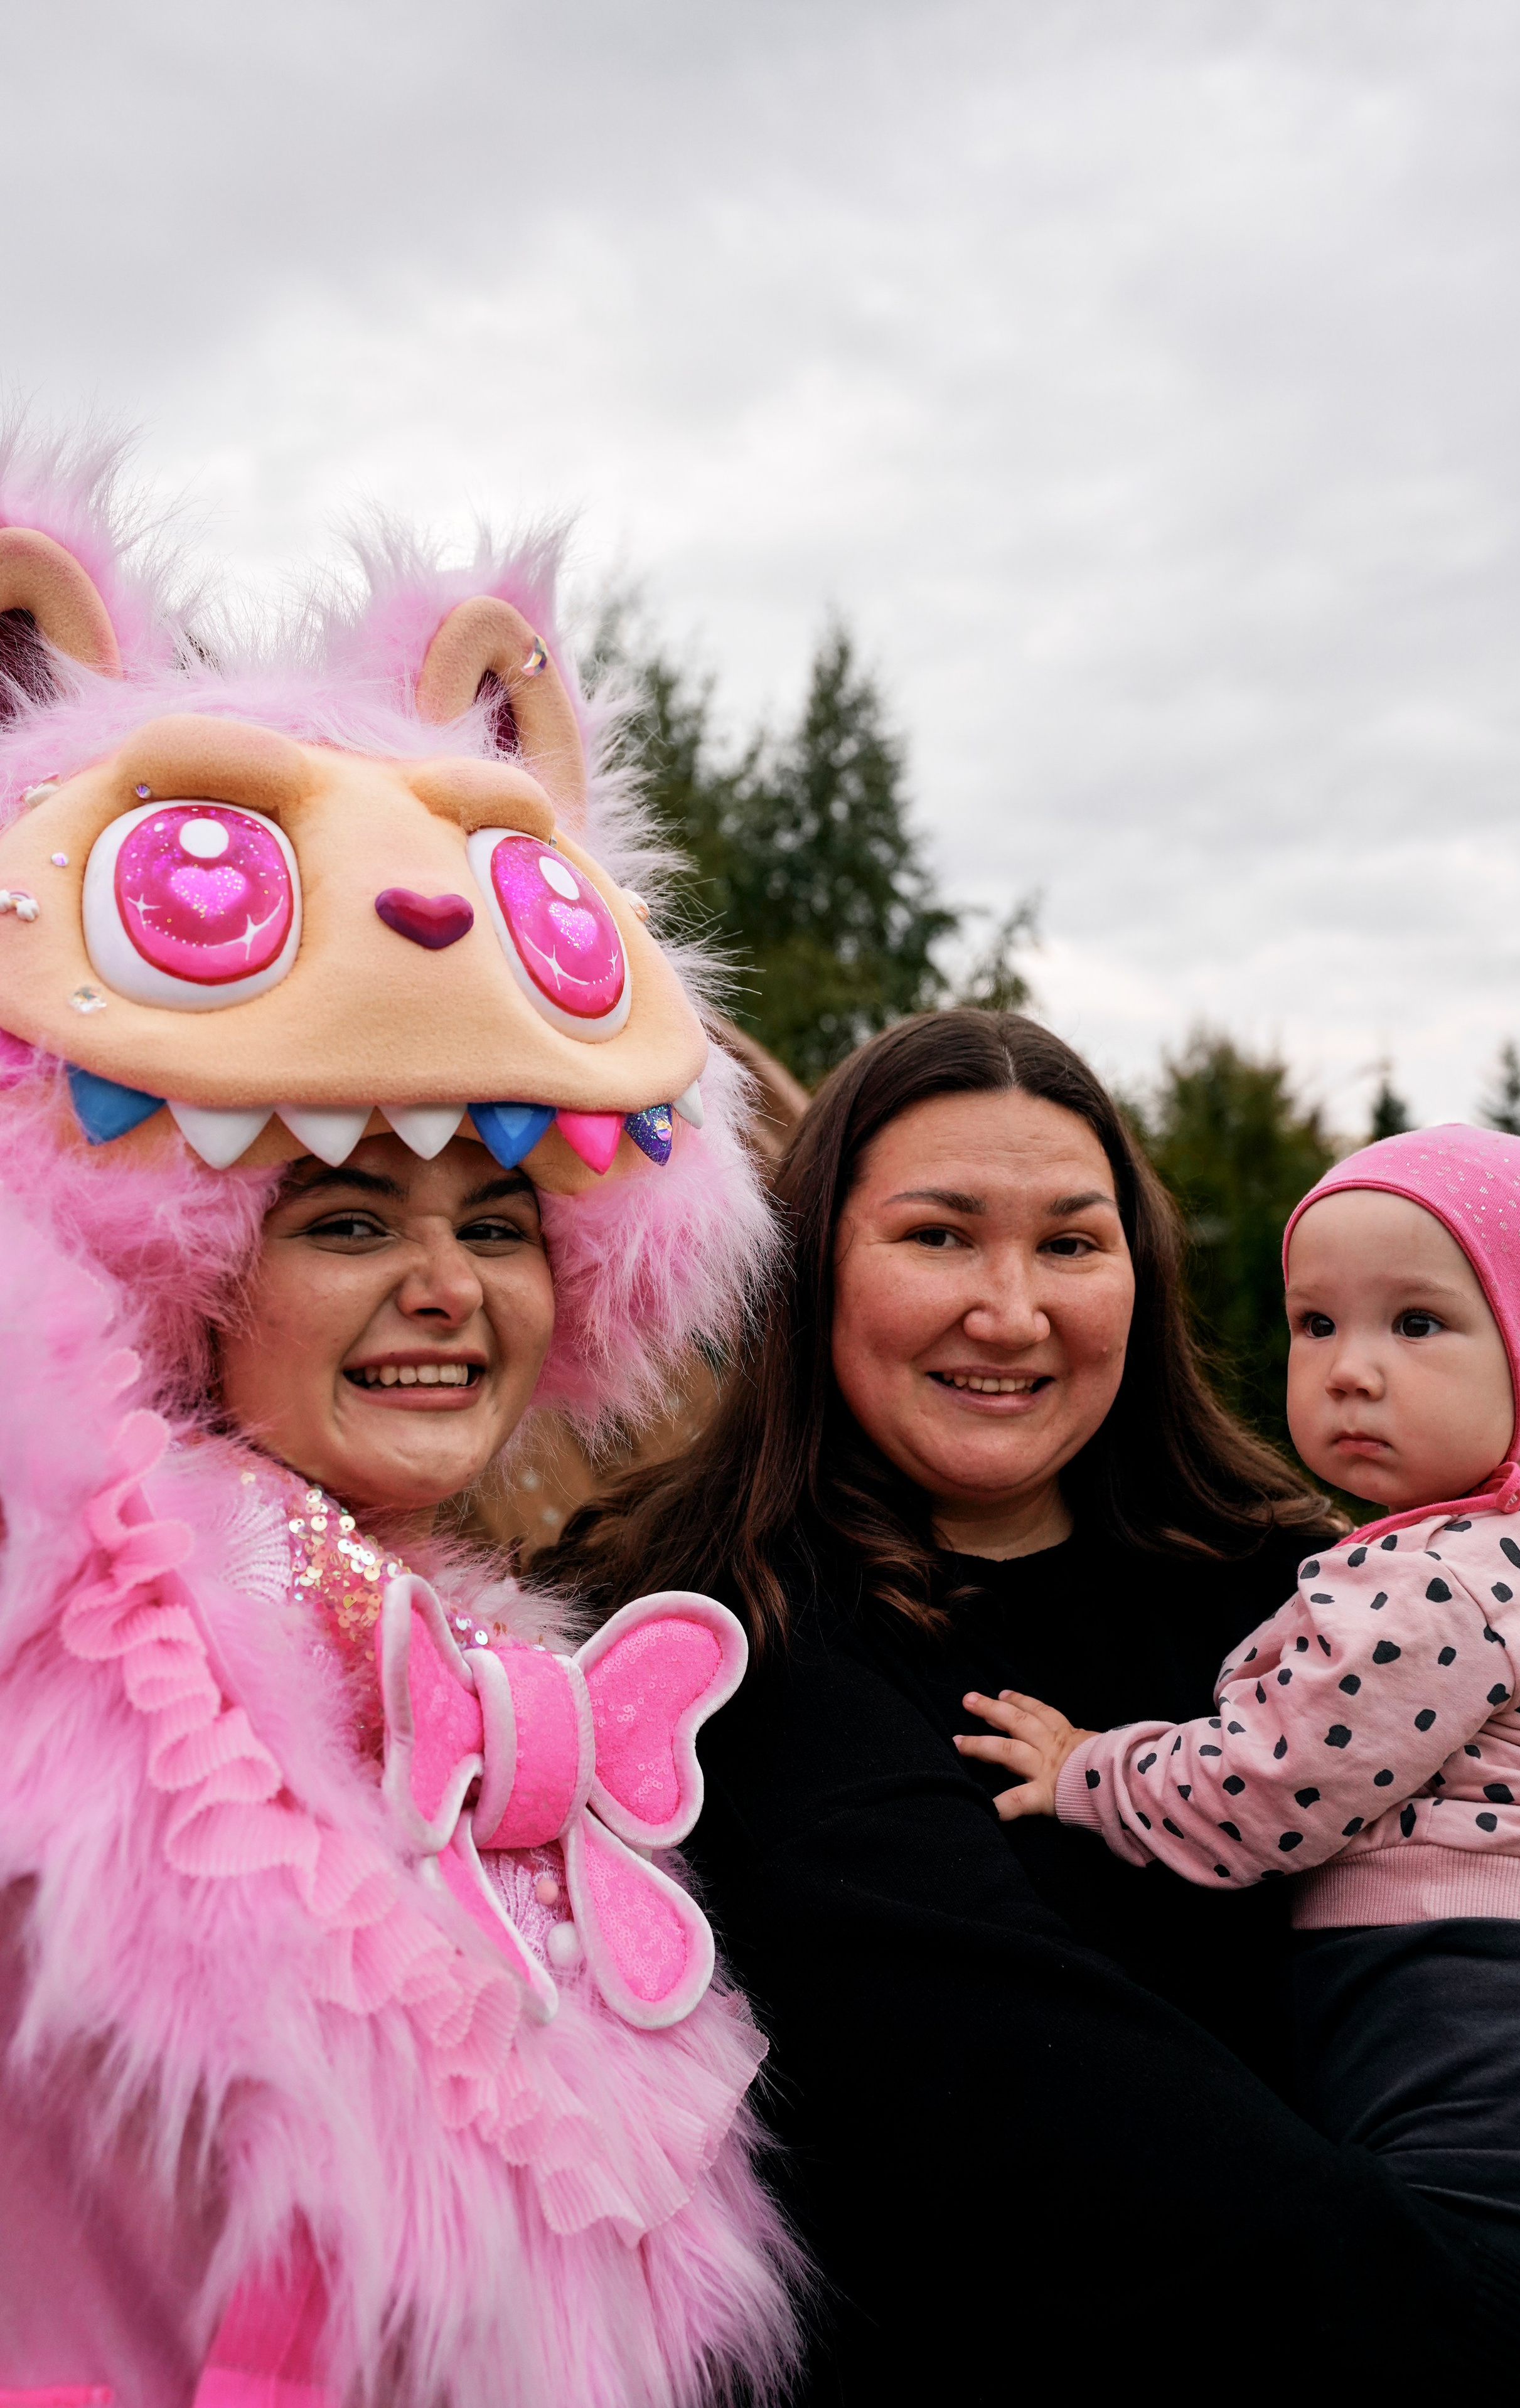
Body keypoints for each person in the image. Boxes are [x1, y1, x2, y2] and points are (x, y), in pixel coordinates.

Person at [0, 440, 796, 2406]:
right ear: (189, 1260)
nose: (449, 1286)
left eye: (500, 1224)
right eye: (348, 1219)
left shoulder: (456, 1640)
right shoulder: (72, 1639)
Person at [555, 1010, 1520, 2397]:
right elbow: (1031, 2098)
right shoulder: (717, 1640)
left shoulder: (1314, 1596)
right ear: (807, 1266)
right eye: (938, 1235)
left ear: (1138, 1277)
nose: (1011, 1310)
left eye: (1069, 1243)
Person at [961, 1125, 1520, 2291]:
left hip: (1471, 2016)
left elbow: (1268, 1787)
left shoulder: (1441, 1585)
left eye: (1417, 1323)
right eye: (1317, 1323)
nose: (1350, 1369)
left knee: (1475, 2295)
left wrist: (1089, 1767)